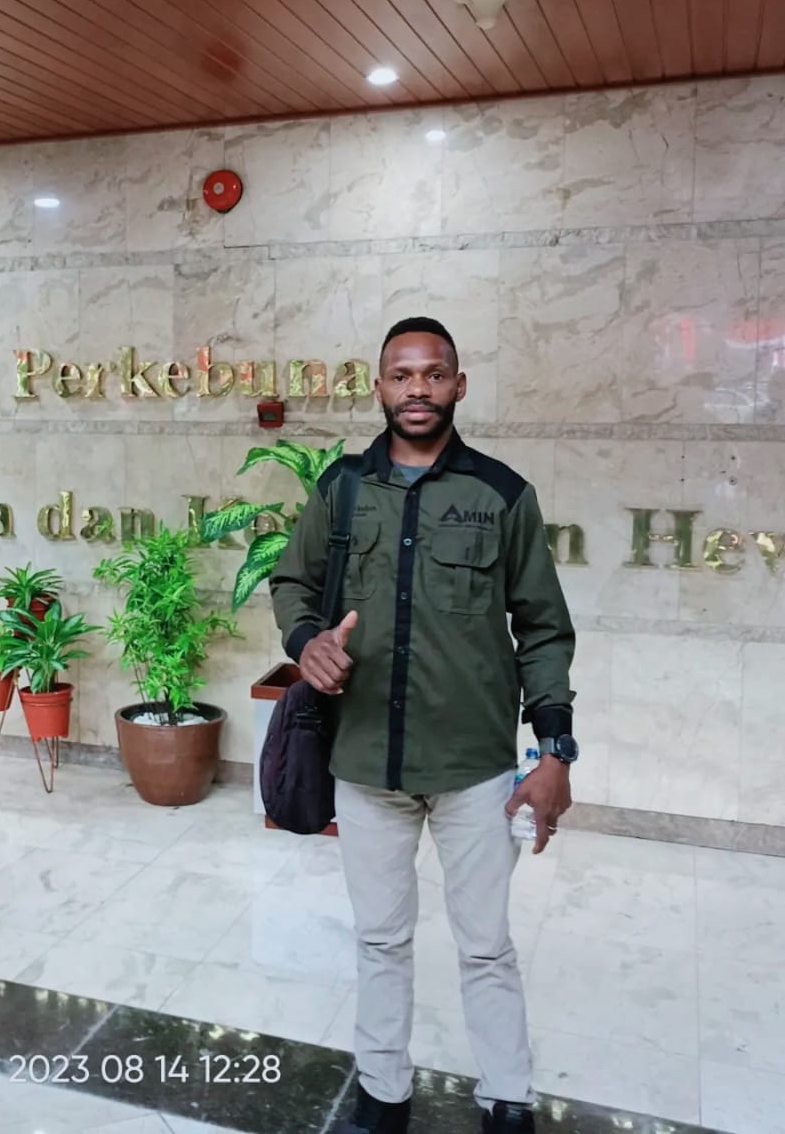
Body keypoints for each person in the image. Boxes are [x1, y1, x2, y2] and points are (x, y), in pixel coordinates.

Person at [269, 317, 577, 1134]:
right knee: (380, 939)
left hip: (474, 767)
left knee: (485, 945)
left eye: (433, 374)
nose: (417, 389)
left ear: (458, 385)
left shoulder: (502, 496)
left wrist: (554, 752)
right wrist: (306, 643)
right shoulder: (341, 489)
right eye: (401, 375)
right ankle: (383, 1093)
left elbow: (543, 628)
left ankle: (507, 1097)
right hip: (366, 759)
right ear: (378, 387)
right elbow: (292, 582)